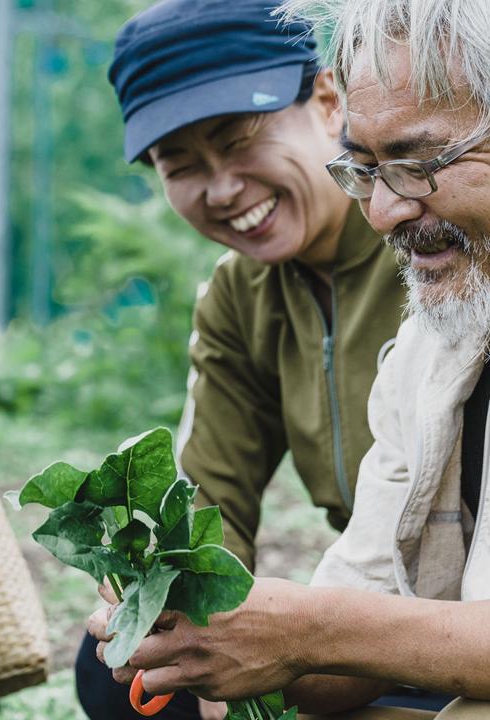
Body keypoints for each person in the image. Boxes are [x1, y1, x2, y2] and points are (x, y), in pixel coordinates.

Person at [88, 0, 490, 717]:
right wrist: (220, 631)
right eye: (366, 168)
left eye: (418, 163)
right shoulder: (443, 338)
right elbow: (350, 635)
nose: (381, 212)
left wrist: (314, 628)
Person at [75, 1, 410, 718]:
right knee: (123, 662)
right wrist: (182, 609)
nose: (222, 189)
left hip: (477, 613)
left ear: (326, 102)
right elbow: (208, 503)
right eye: (182, 164)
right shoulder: (239, 296)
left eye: (240, 141)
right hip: (359, 618)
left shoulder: (426, 243)